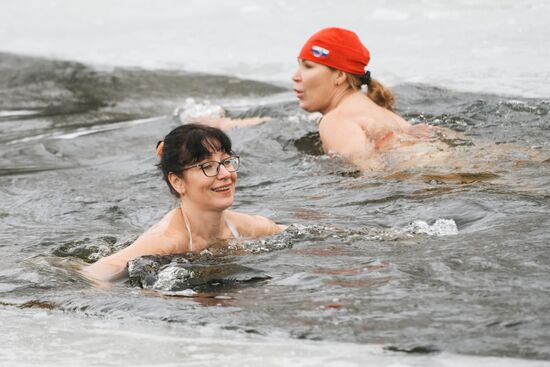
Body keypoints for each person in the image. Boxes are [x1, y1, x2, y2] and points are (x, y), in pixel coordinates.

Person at [82, 124, 285, 282]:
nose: (225, 174)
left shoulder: (246, 227)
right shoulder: (167, 240)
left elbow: (302, 234)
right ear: (177, 182)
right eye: (207, 166)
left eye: (226, 162)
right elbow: (94, 275)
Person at [292, 27, 435, 171]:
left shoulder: (335, 120)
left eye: (308, 67)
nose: (295, 76)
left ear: (339, 76)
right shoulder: (384, 113)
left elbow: (372, 176)